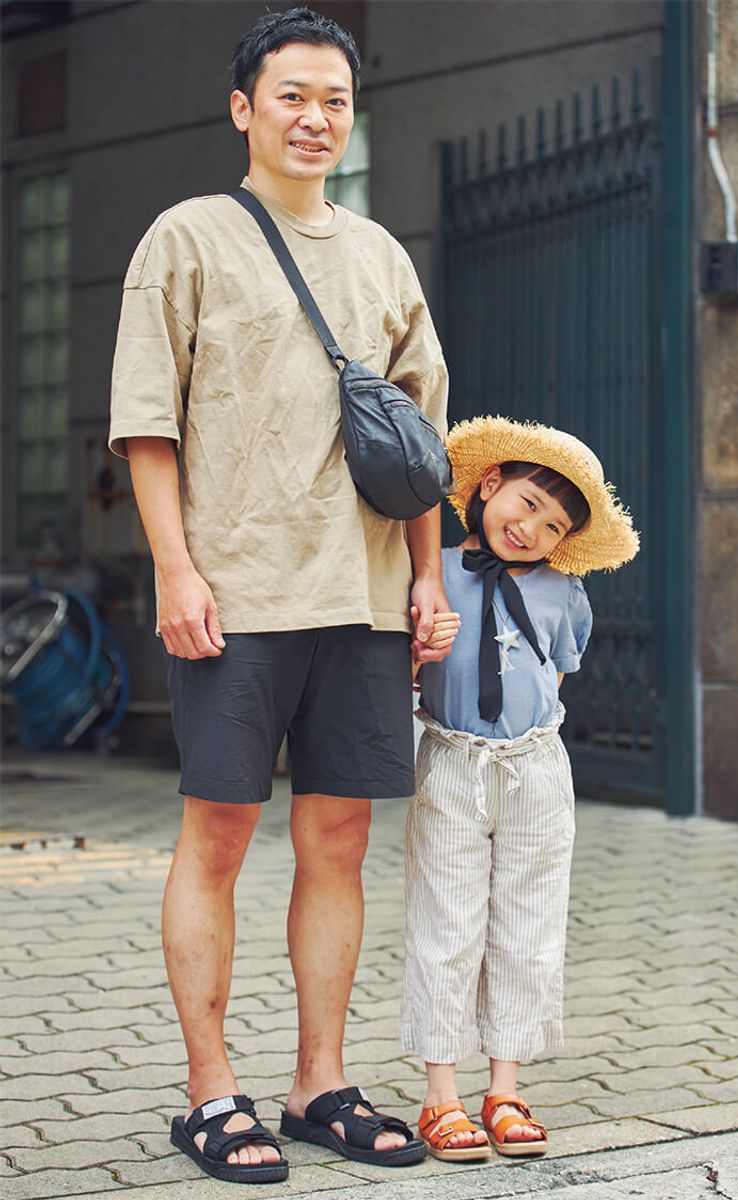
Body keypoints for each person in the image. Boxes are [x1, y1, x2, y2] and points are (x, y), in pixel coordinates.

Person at [108, 7, 450, 1185]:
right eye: (292, 96)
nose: (315, 118)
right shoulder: (188, 237)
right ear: (243, 109)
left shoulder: (382, 256)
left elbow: (420, 443)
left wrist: (427, 578)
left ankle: (320, 1083)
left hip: (362, 598)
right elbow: (147, 426)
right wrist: (176, 569)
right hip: (237, 596)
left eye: (334, 100)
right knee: (218, 834)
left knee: (339, 840)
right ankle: (211, 1093)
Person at [402, 416, 639, 1161]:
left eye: (554, 525)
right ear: (490, 485)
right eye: (527, 504)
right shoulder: (432, 571)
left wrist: (524, 743)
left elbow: (553, 678)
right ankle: (440, 1096)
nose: (531, 528)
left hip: (534, 768)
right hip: (452, 764)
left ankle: (504, 1089)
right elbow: (403, 674)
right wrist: (418, 657)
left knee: (528, 929)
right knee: (446, 926)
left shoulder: (564, 592)